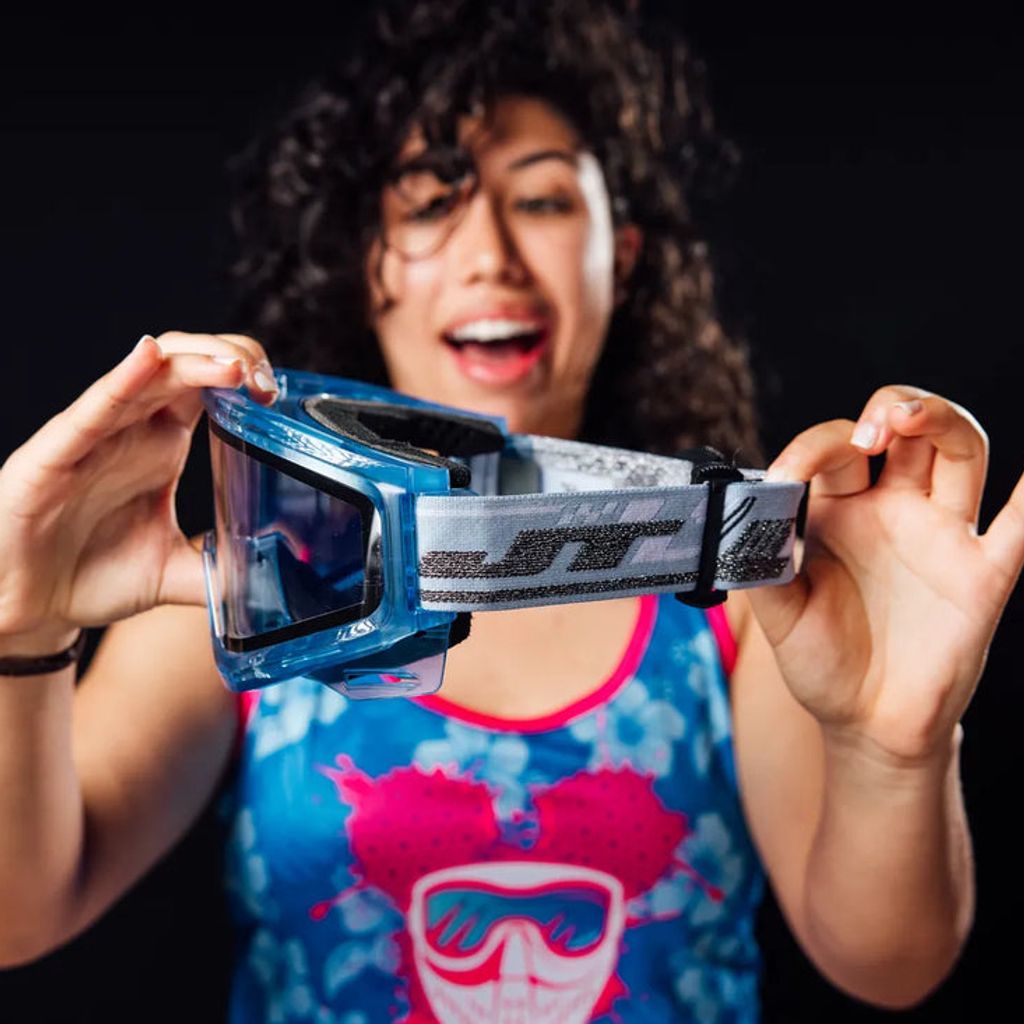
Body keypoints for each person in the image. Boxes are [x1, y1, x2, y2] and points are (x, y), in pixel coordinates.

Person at [0, 2, 1021, 1021]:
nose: (489, 252)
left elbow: (890, 967)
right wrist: (22, 626)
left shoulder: (756, 598)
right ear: (366, 262)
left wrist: (895, 750)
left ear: (621, 255)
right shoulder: (248, 591)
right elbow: (16, 914)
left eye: (540, 200)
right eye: (429, 206)